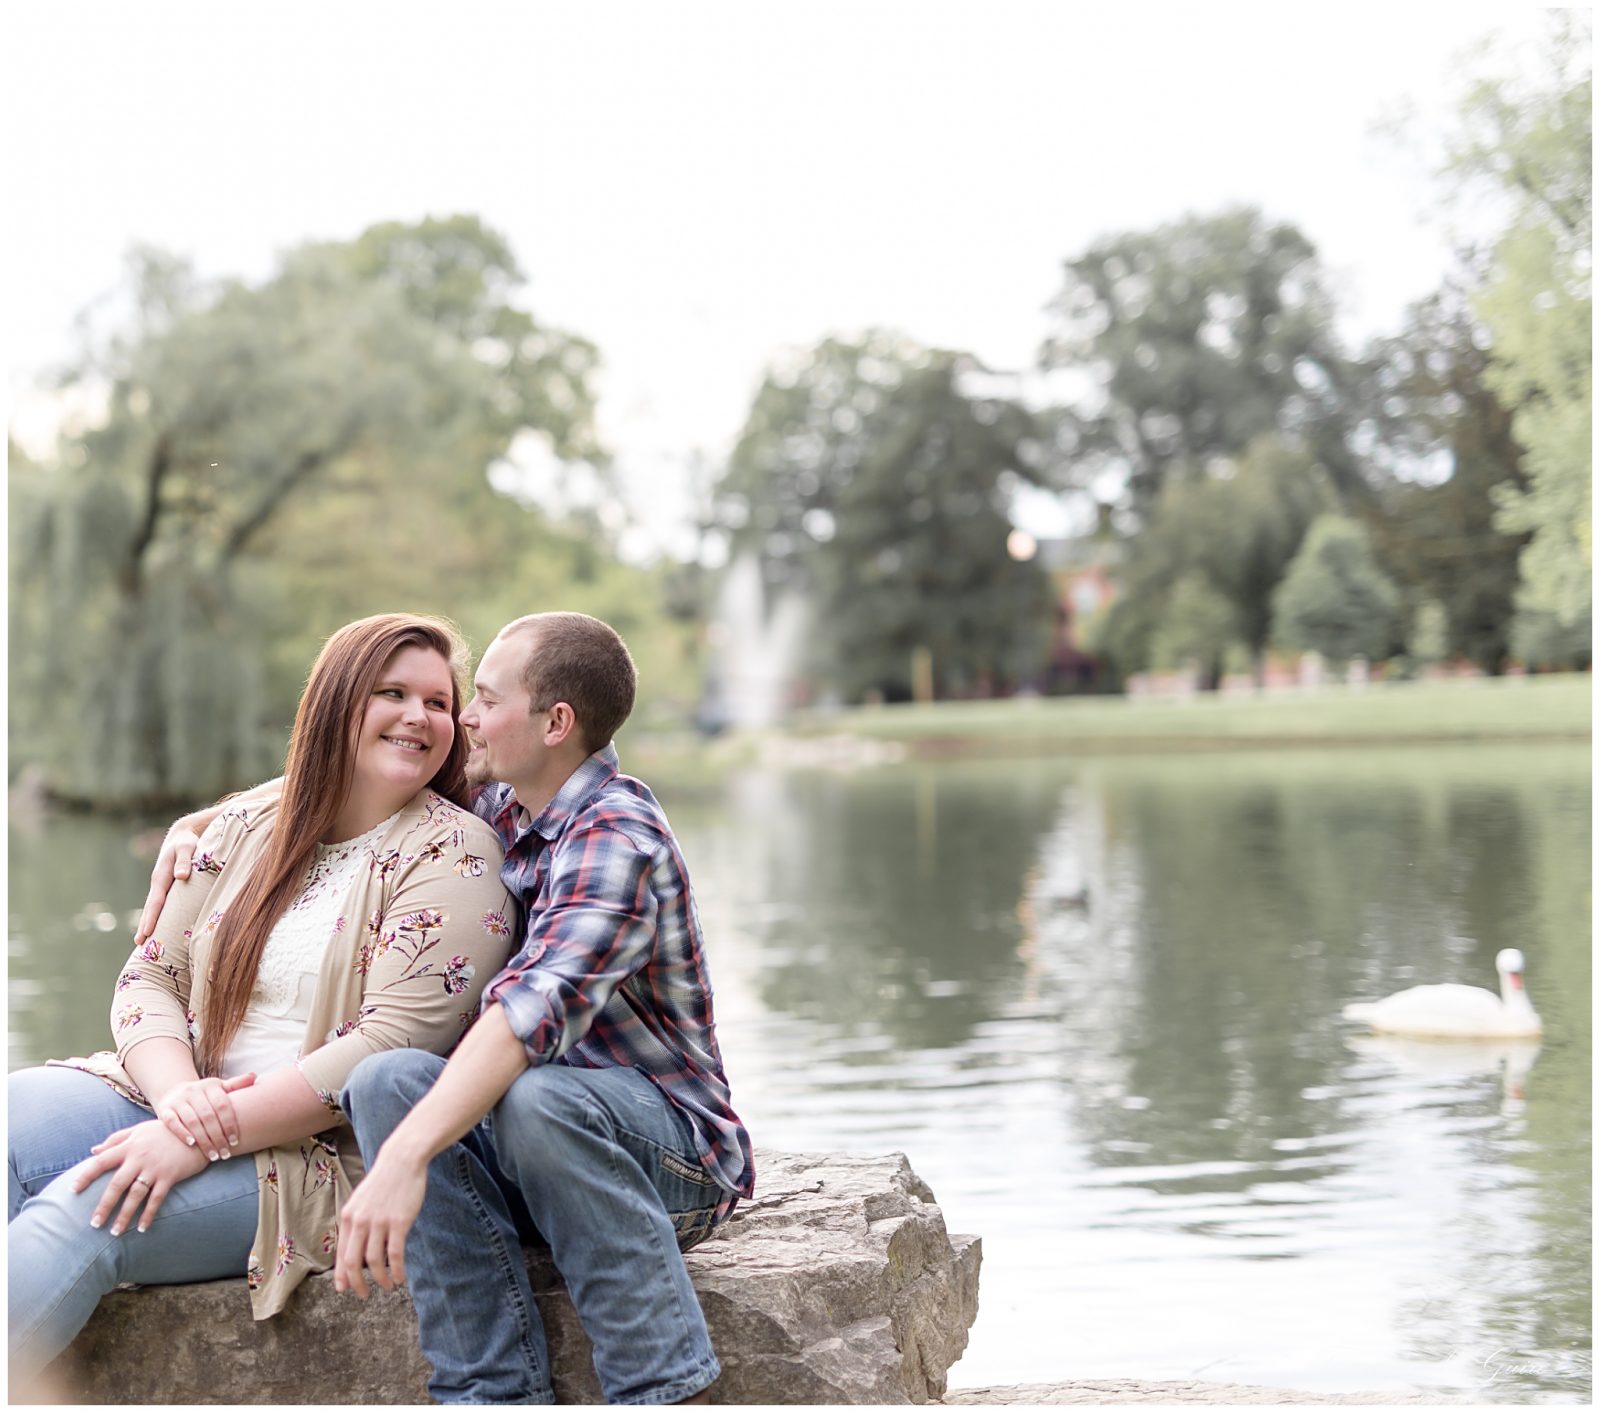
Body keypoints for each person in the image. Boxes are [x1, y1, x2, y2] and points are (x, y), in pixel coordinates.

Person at [136, 611, 754, 1405]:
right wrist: (200, 827)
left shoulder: (616, 837)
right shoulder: (507, 803)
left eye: (485, 698)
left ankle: (659, 1388)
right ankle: (490, 1390)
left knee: (535, 1096)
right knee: (387, 1078)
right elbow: (337, 778)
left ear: (555, 722)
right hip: (533, 1142)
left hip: (667, 1156)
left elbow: (525, 1022)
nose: (463, 717)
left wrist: (398, 1161)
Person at [8, 614, 517, 1389]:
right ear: (336, 702)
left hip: (311, 1152)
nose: (420, 715)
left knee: (85, 1214)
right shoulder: (250, 823)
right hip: (171, 1096)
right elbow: (150, 976)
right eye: (392, 692)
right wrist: (182, 1103)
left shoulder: (456, 853)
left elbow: (387, 1044)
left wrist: (205, 1138)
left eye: (440, 702)